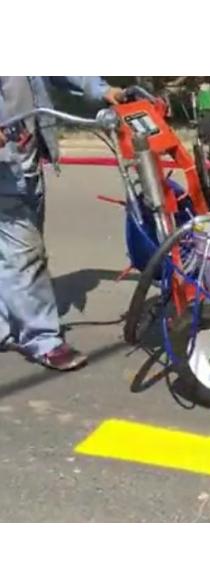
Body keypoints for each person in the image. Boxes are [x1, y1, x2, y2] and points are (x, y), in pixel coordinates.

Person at [0, 77, 124, 371]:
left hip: (25, 162)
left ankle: (5, 326)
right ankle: (43, 340)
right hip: (6, 171)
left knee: (10, 251)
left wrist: (103, 90)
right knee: (24, 255)